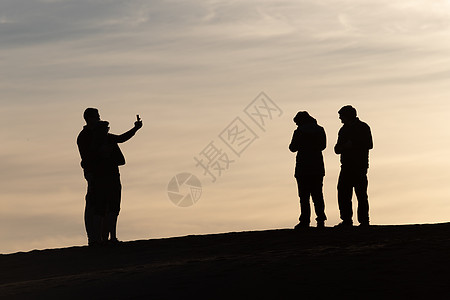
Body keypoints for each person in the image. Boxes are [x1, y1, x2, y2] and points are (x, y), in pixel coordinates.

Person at [77, 108, 143, 245]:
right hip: (96, 176)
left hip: (110, 175)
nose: (99, 119)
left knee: (112, 206)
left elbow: (121, 138)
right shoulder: (84, 137)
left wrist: (135, 129)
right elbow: (86, 159)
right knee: (97, 207)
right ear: (90, 118)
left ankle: (108, 237)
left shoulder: (106, 137)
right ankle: (96, 239)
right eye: (97, 117)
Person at [334, 105, 373, 228]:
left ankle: (364, 221)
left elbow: (369, 144)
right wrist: (345, 146)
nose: (340, 118)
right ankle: (347, 220)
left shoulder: (363, 127)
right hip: (346, 166)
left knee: (360, 194)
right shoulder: (343, 129)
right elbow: (336, 149)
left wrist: (352, 145)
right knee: (343, 193)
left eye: (341, 116)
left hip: (359, 166)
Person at [289, 111, 327, 229]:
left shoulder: (299, 132)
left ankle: (305, 221)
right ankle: (320, 219)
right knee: (318, 195)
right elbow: (323, 146)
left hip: (303, 167)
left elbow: (292, 148)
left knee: (304, 196)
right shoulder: (320, 129)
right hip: (317, 166)